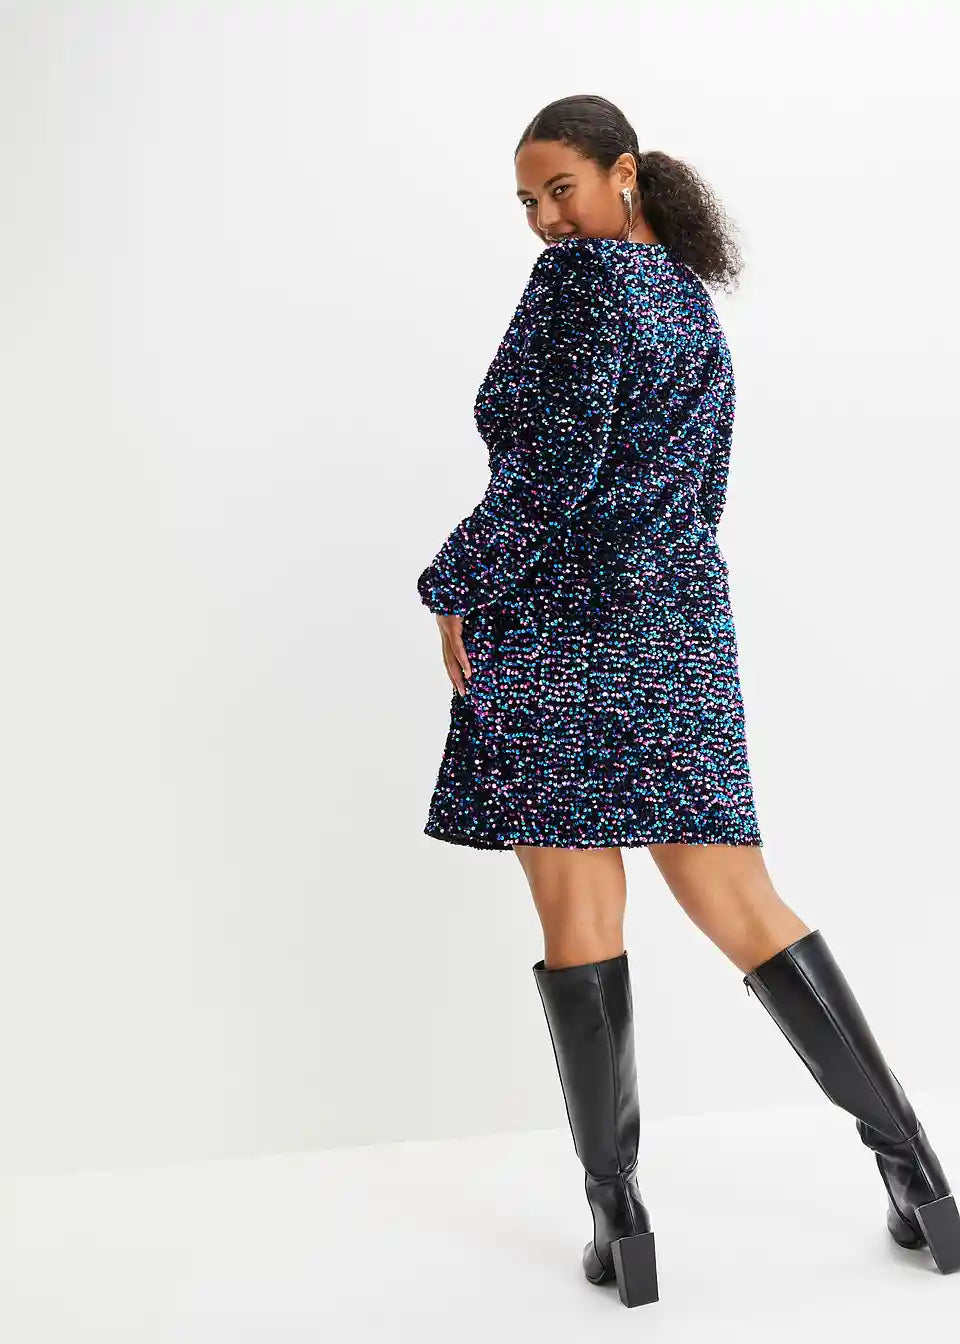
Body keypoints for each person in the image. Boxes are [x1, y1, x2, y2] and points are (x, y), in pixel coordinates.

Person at [415, 94, 959, 1307]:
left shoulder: (580, 287)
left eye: (560, 189)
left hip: (559, 624)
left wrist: (451, 582)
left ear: (623, 174)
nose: (544, 220)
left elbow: (550, 470)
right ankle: (916, 1172)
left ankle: (620, 1221)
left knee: (578, 904)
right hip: (677, 624)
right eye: (526, 203)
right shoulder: (686, 302)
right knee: (739, 898)